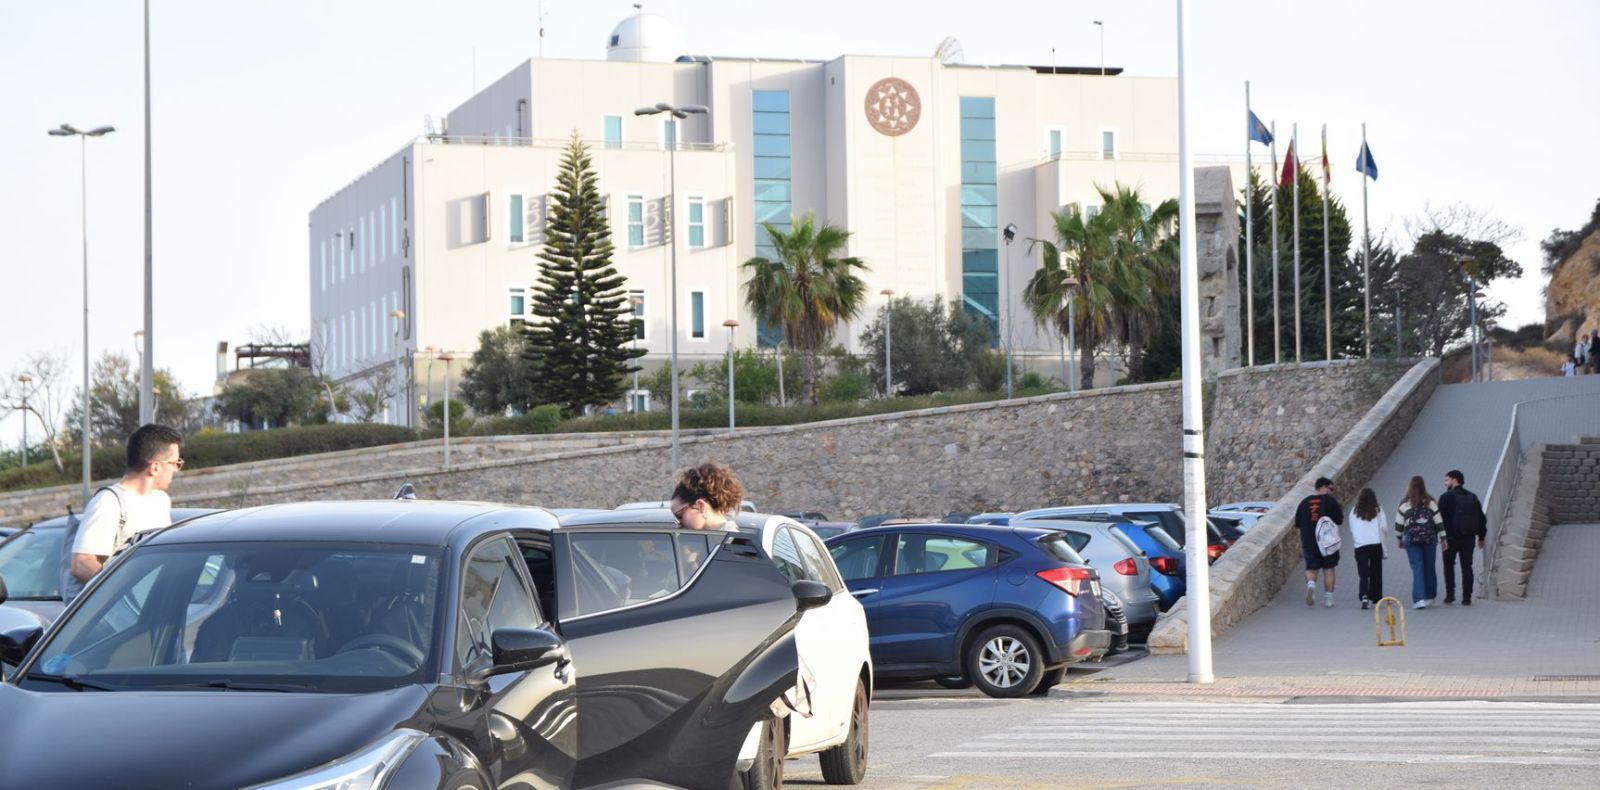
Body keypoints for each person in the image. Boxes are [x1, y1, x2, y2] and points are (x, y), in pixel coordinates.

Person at [60, 424, 184, 603]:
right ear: (155, 467)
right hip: (114, 619)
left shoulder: (161, 501)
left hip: (151, 610)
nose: (176, 470)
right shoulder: (108, 502)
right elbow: (81, 564)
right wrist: (124, 592)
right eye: (175, 463)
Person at [1437, 469, 1487, 606]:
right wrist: (1481, 537)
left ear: (1454, 480)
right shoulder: (1472, 496)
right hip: (1468, 539)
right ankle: (1467, 597)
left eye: (1446, 480)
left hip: (1450, 539)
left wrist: (1442, 538)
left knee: (1448, 566)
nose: (1445, 483)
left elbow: (1439, 519)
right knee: (1467, 567)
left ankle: (1450, 595)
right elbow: (1481, 518)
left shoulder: (1445, 497)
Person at [1395, 475, 1444, 609]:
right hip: (1430, 539)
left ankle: (1419, 599)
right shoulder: (1430, 501)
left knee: (1417, 568)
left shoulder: (1405, 503)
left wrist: (1399, 538)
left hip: (1412, 539)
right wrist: (1443, 538)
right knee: (1430, 567)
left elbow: (1398, 524)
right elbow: (1439, 521)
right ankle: (1430, 596)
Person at [1294, 477, 1343, 608]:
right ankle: (1328, 600)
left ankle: (1311, 585)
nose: (1332, 492)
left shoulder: (1304, 502)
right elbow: (1339, 520)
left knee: (1311, 569)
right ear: (1323, 487)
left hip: (1309, 542)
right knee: (1329, 570)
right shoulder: (1331, 502)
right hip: (1327, 543)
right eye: (1331, 489)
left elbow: (1297, 523)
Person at [668, 461, 745, 532]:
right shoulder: (709, 542)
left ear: (700, 506)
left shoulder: (734, 543)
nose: (679, 524)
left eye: (679, 515)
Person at [1348, 487, 1388, 610]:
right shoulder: (1378, 510)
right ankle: (1376, 598)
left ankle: (1364, 596)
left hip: (1360, 546)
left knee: (1363, 573)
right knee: (1376, 572)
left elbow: (1351, 528)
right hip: (1375, 544)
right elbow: (1384, 527)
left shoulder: (1354, 511)